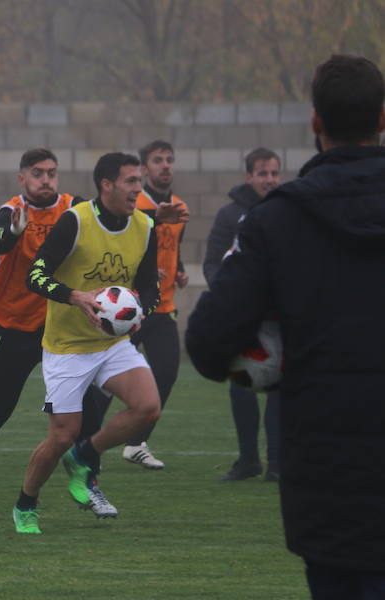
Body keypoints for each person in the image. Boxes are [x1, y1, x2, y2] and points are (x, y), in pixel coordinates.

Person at [186, 54, 385, 597]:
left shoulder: (277, 220)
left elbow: (207, 344)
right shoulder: (273, 218)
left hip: (326, 482)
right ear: (383, 118)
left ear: (315, 121)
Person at [0, 148, 118, 520]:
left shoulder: (74, 207)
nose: (46, 179)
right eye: (38, 173)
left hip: (65, 327)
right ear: (23, 179)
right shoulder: (12, 211)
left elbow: (107, 227)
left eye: (52, 172)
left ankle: (88, 482)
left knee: (91, 404)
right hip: (18, 325)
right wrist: (15, 231)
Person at [12, 152, 162, 534]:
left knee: (148, 408)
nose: (137, 189)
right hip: (67, 347)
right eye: (130, 181)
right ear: (106, 185)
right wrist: (75, 296)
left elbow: (149, 286)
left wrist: (139, 309)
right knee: (61, 435)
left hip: (111, 344)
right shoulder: (75, 221)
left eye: (139, 181)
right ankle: (26, 503)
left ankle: (86, 455)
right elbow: (35, 276)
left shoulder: (145, 226)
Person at [80, 140, 190, 470]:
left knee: (167, 373)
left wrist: (179, 269)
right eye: (158, 160)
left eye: (170, 159)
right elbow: (126, 237)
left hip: (163, 304)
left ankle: (136, 443)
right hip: (127, 308)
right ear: (143, 169)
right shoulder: (131, 203)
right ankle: (87, 440)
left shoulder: (179, 207)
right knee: (107, 384)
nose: (165, 166)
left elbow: (171, 246)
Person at [203, 147, 282, 482]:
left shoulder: (288, 212)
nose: (269, 179)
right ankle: (248, 459)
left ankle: (278, 464)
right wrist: (232, 298)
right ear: (249, 176)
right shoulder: (228, 215)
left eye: (274, 173)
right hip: (244, 318)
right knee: (242, 387)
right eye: (262, 173)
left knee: (279, 389)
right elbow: (212, 264)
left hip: (279, 318)